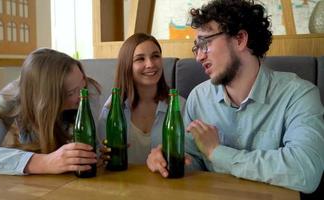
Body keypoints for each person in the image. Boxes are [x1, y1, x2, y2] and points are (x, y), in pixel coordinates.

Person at [146, 0, 324, 194]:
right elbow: (193, 158)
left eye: (205, 43)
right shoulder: (199, 97)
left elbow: (305, 171)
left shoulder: (298, 95)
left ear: (240, 39)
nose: (199, 57)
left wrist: (218, 153)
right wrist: (168, 158)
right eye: (196, 48)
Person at [0, 48, 101, 175]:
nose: (82, 95)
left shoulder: (87, 90)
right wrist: (45, 162)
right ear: (46, 100)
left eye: (83, 83)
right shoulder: (11, 98)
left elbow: (90, 149)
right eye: (70, 93)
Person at [98, 33, 185, 164]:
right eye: (140, 59)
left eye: (155, 56)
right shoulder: (112, 107)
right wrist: (101, 156)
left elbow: (192, 157)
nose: (150, 64)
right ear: (127, 65)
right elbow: (100, 151)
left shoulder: (180, 105)